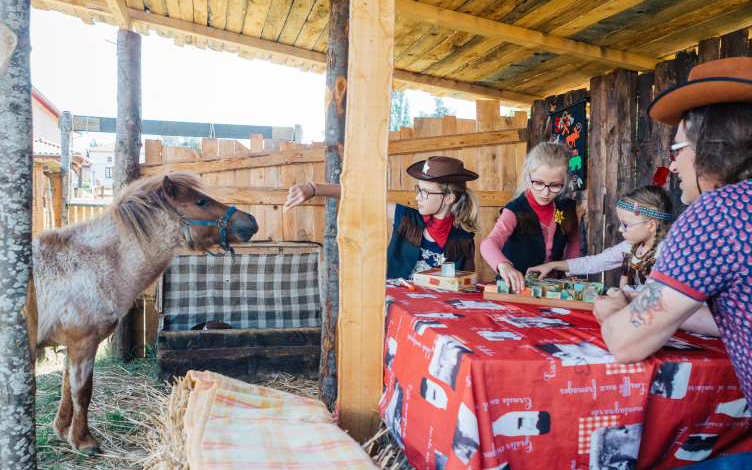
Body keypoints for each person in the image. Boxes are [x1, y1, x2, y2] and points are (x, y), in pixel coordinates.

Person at [592, 57, 752, 470]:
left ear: (712, 146)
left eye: (678, 146)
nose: (673, 161)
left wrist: (614, 315)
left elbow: (625, 345)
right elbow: (738, 316)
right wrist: (653, 303)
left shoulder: (718, 212)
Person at [284, 156, 482, 279]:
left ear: (449, 198)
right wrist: (314, 188)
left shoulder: (464, 237)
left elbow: (468, 282)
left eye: (425, 193)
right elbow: (362, 197)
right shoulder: (406, 217)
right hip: (395, 307)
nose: (417, 197)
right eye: (418, 190)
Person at [527, 185, 673, 290]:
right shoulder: (629, 247)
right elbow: (595, 262)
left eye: (626, 224)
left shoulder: (667, 255)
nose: (619, 229)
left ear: (651, 225)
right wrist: (551, 265)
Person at [480, 142, 581, 291]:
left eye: (555, 185)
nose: (545, 193)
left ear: (564, 181)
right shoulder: (515, 211)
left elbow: (573, 239)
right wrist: (504, 266)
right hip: (517, 287)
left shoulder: (566, 208)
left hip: (553, 287)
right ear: (528, 176)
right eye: (539, 183)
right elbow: (489, 243)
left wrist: (569, 270)